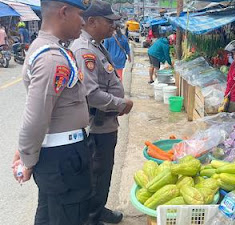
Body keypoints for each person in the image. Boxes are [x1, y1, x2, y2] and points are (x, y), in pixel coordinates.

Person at [11, 0, 92, 224]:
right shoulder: (52, 58)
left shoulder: (52, 50)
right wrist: (27, 159)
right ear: (64, 12)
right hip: (64, 159)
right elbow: (36, 117)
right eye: (80, 14)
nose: (83, 22)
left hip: (59, 156)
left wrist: (25, 152)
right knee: (69, 217)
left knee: (50, 215)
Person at [70, 1, 134, 225]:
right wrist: (120, 104)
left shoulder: (96, 46)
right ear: (91, 21)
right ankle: (91, 218)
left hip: (105, 124)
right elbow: (91, 94)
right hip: (97, 127)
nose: (113, 27)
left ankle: (98, 209)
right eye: (109, 22)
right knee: (97, 174)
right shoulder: (85, 50)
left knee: (103, 172)